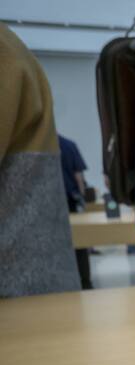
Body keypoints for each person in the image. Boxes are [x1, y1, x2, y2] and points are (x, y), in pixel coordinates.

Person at [0, 24, 80, 298]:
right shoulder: (12, 50)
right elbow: (79, 175)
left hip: (21, 304)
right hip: (37, 288)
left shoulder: (7, 54)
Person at [58, 134, 93, 289]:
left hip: (52, 202)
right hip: (71, 200)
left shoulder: (43, 146)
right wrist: (82, 201)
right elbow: (78, 177)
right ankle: (85, 281)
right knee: (79, 242)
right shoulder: (69, 145)